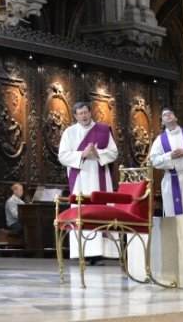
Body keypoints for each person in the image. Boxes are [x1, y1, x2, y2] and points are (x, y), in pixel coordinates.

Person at [57, 101, 118, 262]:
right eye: (80, 113)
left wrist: (98, 153)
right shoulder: (69, 132)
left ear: (90, 112)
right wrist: (81, 154)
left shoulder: (104, 130)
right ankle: (83, 252)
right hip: (80, 178)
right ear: (75, 116)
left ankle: (102, 252)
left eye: (86, 112)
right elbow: (62, 156)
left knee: (101, 210)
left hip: (100, 178)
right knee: (82, 211)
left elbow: (114, 153)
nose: (84, 116)